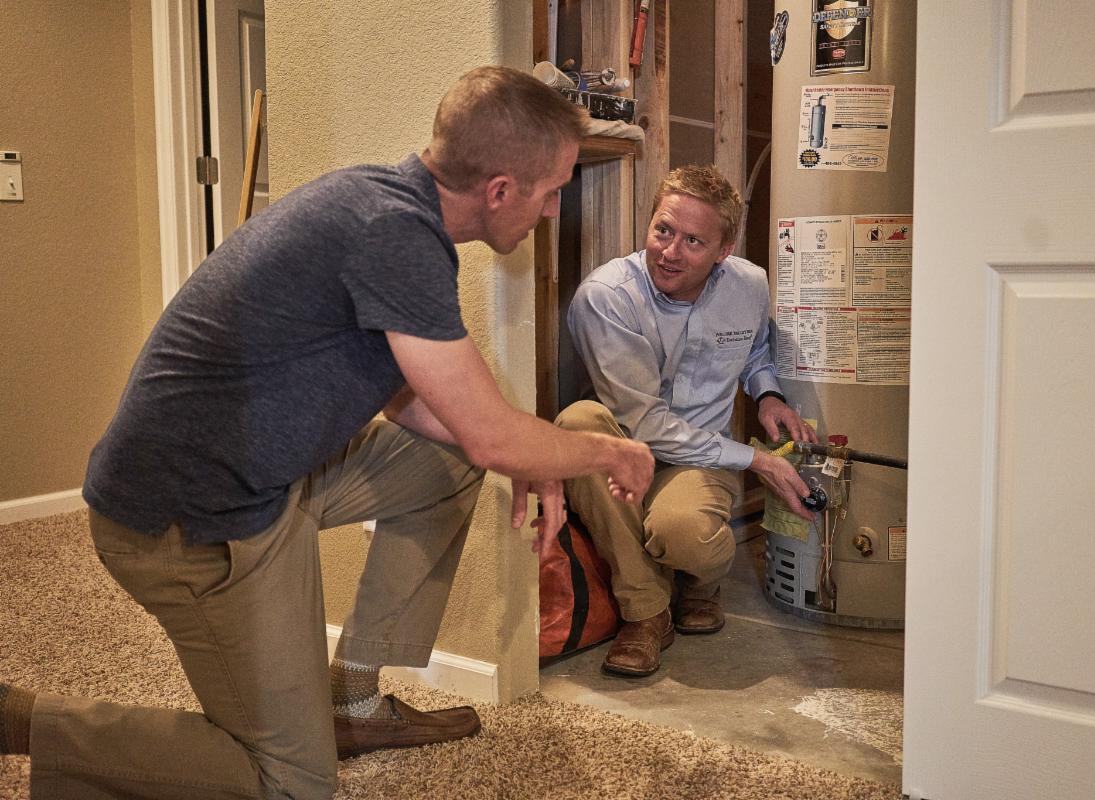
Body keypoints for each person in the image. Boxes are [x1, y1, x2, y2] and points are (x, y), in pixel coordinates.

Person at [0, 65, 654, 799]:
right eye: (553, 189)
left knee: (449, 466)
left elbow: (419, 407)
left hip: (266, 479)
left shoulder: (385, 206)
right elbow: (492, 435)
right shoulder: (394, 235)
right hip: (184, 525)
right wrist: (608, 450)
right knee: (291, 783)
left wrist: (526, 454)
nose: (551, 210)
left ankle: (354, 701)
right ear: (501, 189)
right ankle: (24, 721)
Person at [555, 164, 817, 678]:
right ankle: (648, 613)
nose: (670, 251)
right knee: (576, 422)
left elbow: (755, 350)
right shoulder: (607, 297)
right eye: (663, 230)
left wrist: (767, 394)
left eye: (693, 241)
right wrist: (757, 461)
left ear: (724, 249)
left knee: (686, 534)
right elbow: (645, 422)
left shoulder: (749, 285)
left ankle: (699, 583)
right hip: (626, 449)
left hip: (701, 454)